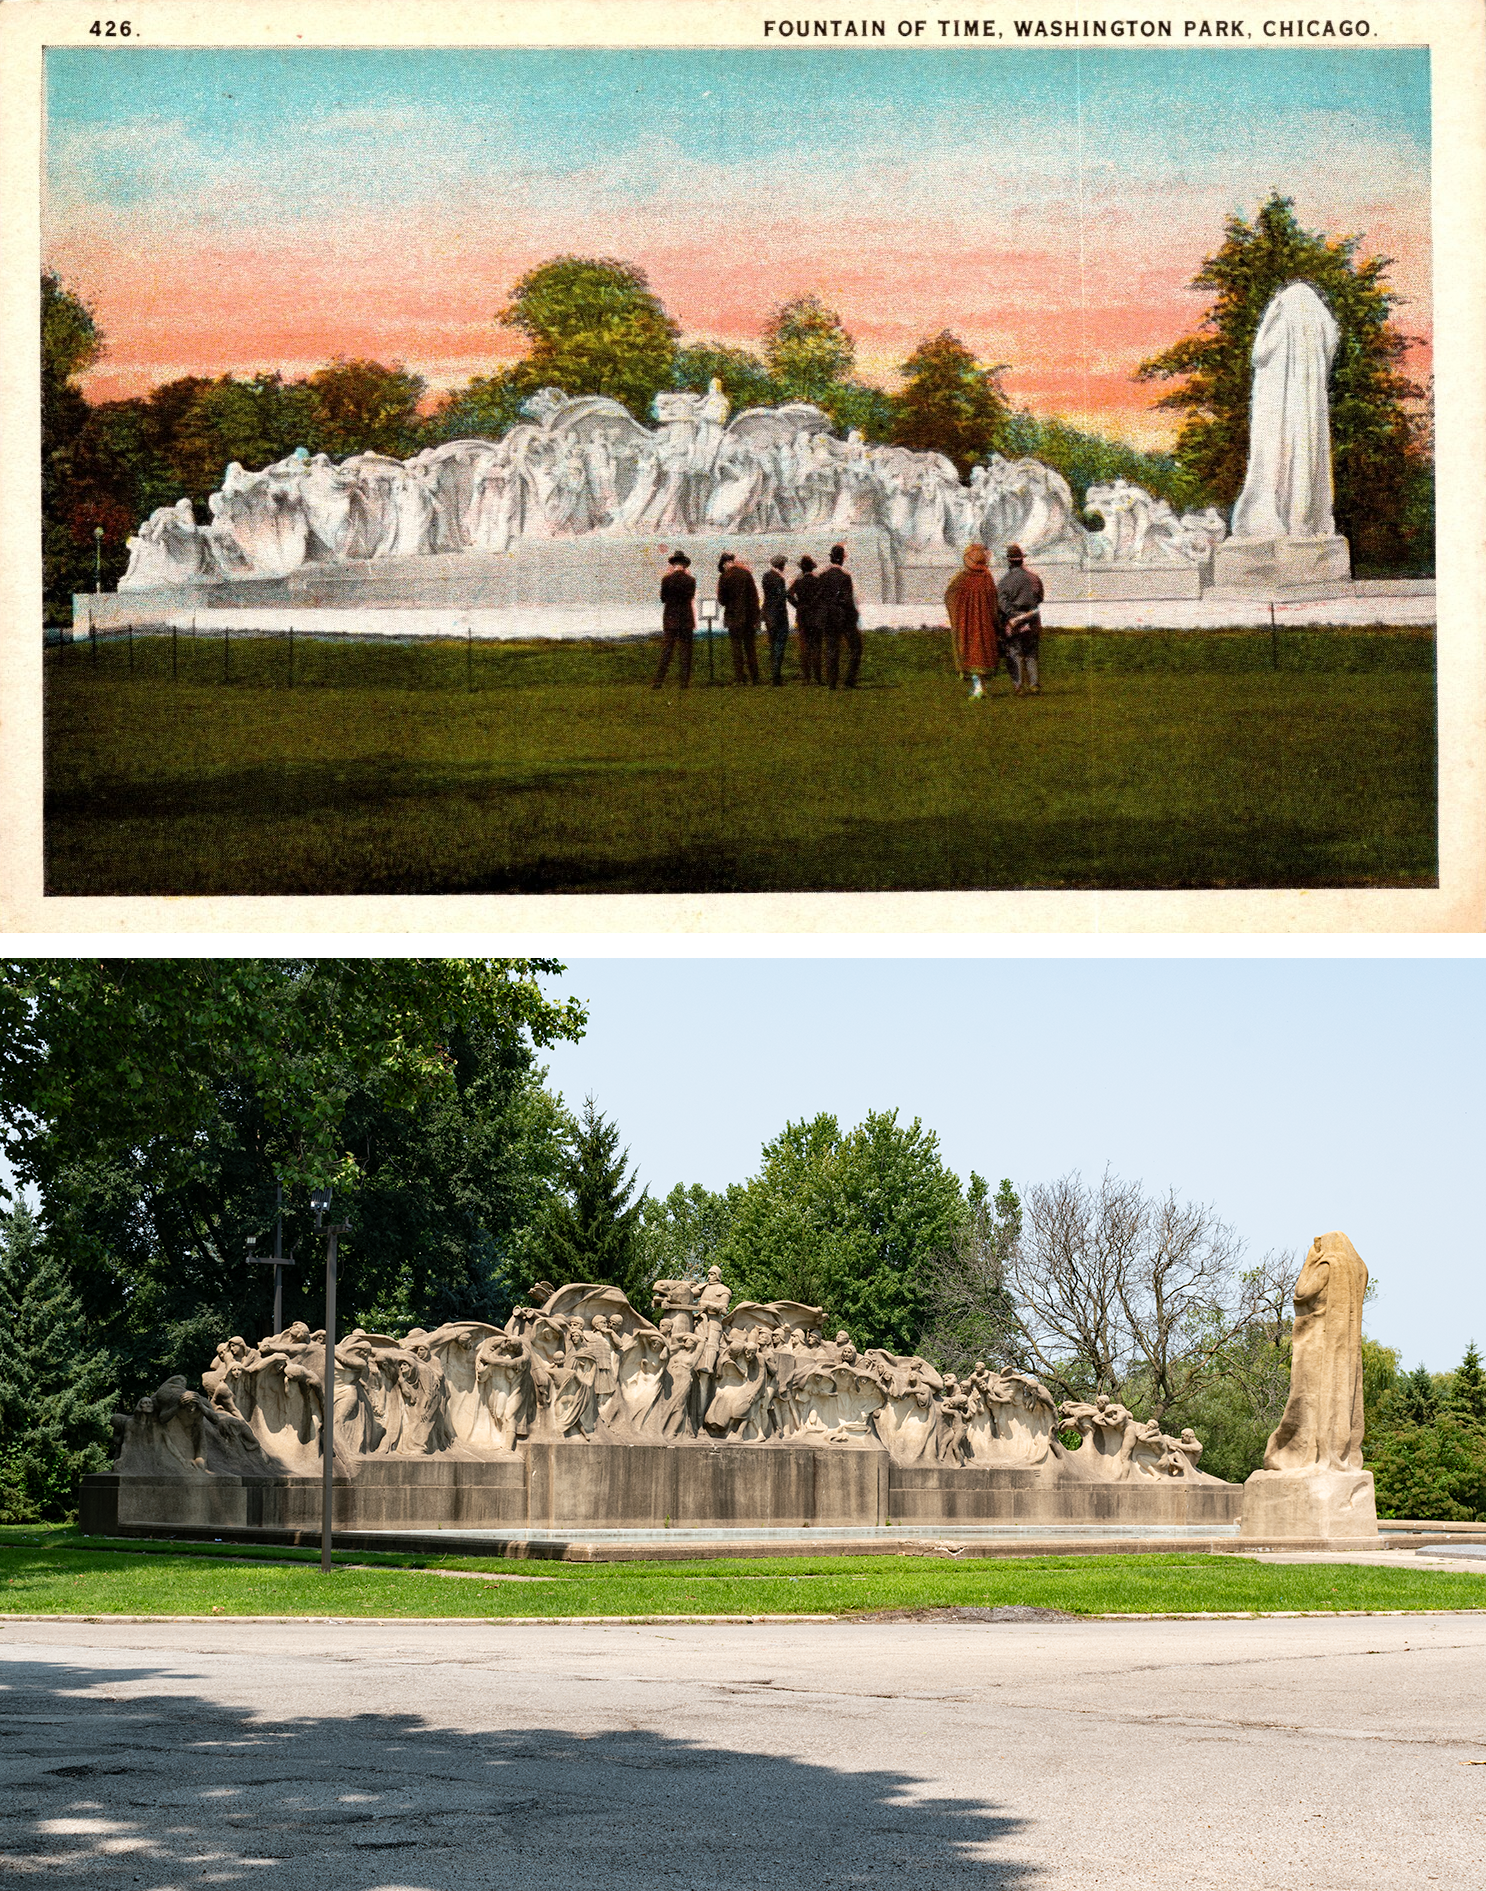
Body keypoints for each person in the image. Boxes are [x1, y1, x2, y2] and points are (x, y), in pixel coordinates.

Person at [944, 543, 999, 699]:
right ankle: (981, 687)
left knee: (970, 652)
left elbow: (950, 597)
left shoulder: (961, 579)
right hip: (984, 623)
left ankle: (978, 687)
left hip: (967, 624)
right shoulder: (987, 578)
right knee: (982, 652)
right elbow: (993, 601)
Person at [998, 542, 1045, 695]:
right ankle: (1034, 684)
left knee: (1015, 653)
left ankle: (1018, 686)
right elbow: (1040, 597)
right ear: (1022, 560)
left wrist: (1014, 615)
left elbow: (1002, 604)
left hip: (1014, 621)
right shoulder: (1034, 578)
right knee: (1031, 653)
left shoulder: (1004, 581)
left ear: (1009, 561)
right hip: (1032, 619)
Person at [816, 542, 862, 689]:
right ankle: (849, 680)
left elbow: (819, 597)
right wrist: (854, 615)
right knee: (856, 648)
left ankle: (832, 682)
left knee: (831, 649)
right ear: (842, 558)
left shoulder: (822, 575)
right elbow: (848, 600)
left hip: (828, 617)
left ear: (831, 558)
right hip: (843, 617)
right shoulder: (845, 577)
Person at [653, 550, 696, 689]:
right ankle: (684, 682)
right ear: (684, 565)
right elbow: (690, 597)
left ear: (673, 564)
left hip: (670, 619)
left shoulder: (666, 580)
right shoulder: (691, 580)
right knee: (685, 652)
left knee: (666, 651)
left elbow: (663, 599)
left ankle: (658, 681)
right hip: (685, 619)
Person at [716, 551, 761, 684]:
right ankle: (755, 677)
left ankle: (740, 678)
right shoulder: (746, 574)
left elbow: (722, 600)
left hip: (733, 617)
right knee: (750, 648)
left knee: (736, 648)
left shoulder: (724, 577)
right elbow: (754, 597)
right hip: (748, 617)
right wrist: (756, 617)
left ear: (724, 564)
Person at [787, 554, 823, 684]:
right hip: (816, 617)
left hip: (802, 616)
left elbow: (788, 594)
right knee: (817, 647)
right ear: (812, 568)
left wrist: (798, 605)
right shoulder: (818, 580)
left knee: (805, 647)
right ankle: (818, 677)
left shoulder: (798, 581)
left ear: (802, 569)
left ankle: (807, 678)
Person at [761, 553, 791, 685]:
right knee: (779, 645)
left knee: (773, 644)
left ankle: (774, 673)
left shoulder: (766, 576)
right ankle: (776, 676)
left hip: (768, 613)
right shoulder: (779, 579)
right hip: (778, 616)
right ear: (781, 565)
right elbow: (781, 597)